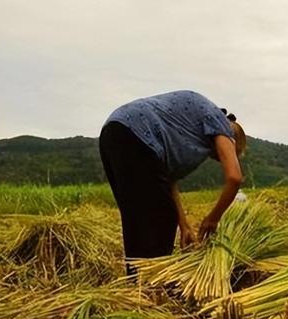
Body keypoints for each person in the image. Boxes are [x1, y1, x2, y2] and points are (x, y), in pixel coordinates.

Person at [99, 90, 246, 274]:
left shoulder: (191, 131)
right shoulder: (220, 122)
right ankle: (153, 283)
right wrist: (212, 219)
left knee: (136, 217)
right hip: (138, 135)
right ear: (232, 140)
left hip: (114, 131)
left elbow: (168, 182)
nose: (216, 158)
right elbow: (234, 177)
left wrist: (184, 226)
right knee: (161, 218)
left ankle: (137, 284)